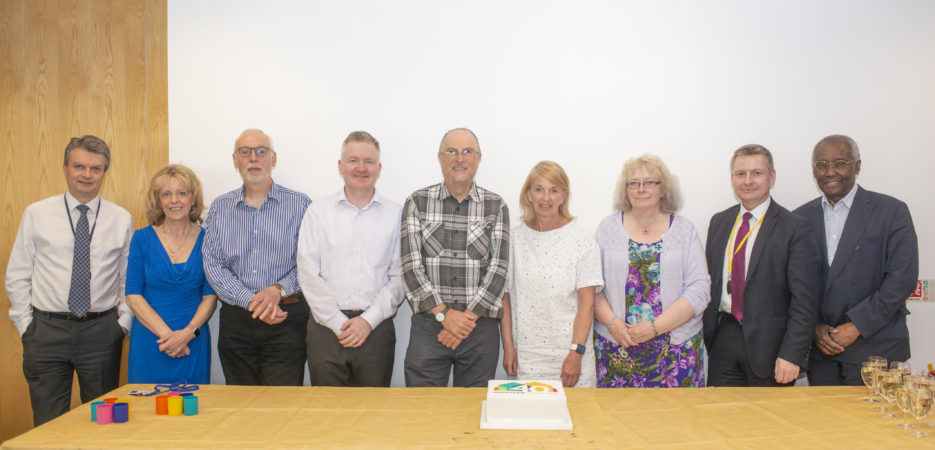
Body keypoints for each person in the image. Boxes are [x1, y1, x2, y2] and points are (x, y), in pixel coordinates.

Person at [6, 135, 133, 425]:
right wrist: (27, 325)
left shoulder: (120, 218)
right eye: (79, 166)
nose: (86, 175)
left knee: (104, 423)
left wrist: (122, 324)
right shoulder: (36, 214)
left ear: (104, 172)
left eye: (95, 168)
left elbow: (128, 277)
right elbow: (18, 273)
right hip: (46, 331)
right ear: (65, 168)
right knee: (49, 422)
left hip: (102, 331)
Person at [794, 135, 918, 385]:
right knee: (824, 424)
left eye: (840, 163)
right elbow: (796, 284)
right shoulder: (799, 218)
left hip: (876, 348)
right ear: (813, 170)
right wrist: (815, 327)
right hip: (823, 350)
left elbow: (901, 279)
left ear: (857, 166)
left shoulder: (891, 211)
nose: (830, 172)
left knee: (877, 424)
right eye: (822, 165)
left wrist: (857, 326)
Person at [703, 144, 821, 386]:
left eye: (757, 173)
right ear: (732, 178)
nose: (748, 181)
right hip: (724, 338)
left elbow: (805, 300)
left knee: (768, 423)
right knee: (720, 420)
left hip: (772, 347)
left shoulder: (794, 227)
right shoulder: (719, 222)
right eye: (740, 174)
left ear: (772, 176)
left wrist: (792, 353)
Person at [401, 128, 509, 387]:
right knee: (424, 413)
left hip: (480, 328)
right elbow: (410, 268)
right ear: (440, 158)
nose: (459, 158)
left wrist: (465, 319)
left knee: (473, 414)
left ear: (478, 158)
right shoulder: (417, 202)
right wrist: (444, 316)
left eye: (467, 152)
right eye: (451, 151)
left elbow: (499, 270)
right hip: (429, 325)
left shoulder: (496, 206)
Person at [203, 128, 312, 386]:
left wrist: (277, 290)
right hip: (236, 321)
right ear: (235, 160)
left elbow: (309, 262)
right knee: (240, 407)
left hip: (286, 317)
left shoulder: (301, 205)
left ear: (273, 159)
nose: (253, 158)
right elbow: (213, 263)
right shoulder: (220, 207)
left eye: (261, 151)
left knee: (282, 407)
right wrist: (252, 301)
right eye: (245, 152)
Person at [592, 154, 710, 388]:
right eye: (633, 183)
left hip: (676, 352)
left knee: (674, 422)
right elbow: (592, 287)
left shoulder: (685, 230)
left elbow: (699, 289)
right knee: (617, 421)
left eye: (649, 182)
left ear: (663, 189)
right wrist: (614, 324)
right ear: (625, 190)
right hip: (617, 348)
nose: (641, 189)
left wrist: (656, 328)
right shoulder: (607, 229)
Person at [297, 131, 405, 386]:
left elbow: (400, 276)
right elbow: (307, 271)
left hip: (376, 329)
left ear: (379, 168)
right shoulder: (317, 212)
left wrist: (368, 321)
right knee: (328, 415)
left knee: (372, 416)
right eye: (353, 160)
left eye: (369, 161)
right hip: (325, 329)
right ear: (340, 166)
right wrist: (337, 322)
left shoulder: (396, 215)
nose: (361, 168)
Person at [500, 161, 603, 388]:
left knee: (580, 420)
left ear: (564, 196)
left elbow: (588, 305)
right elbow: (504, 297)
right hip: (528, 356)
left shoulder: (582, 241)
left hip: (572, 357)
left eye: (553, 190)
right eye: (539, 189)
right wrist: (508, 346)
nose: (546, 198)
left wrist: (576, 353)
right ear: (528, 194)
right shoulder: (513, 241)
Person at [125, 164, 218, 384]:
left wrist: (186, 334)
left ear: (193, 198)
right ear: (158, 201)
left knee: (192, 410)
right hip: (151, 340)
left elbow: (210, 297)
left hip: (193, 339)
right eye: (166, 194)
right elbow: (132, 295)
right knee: (147, 413)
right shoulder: (142, 239)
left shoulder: (209, 240)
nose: (174, 200)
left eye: (181, 193)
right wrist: (169, 337)